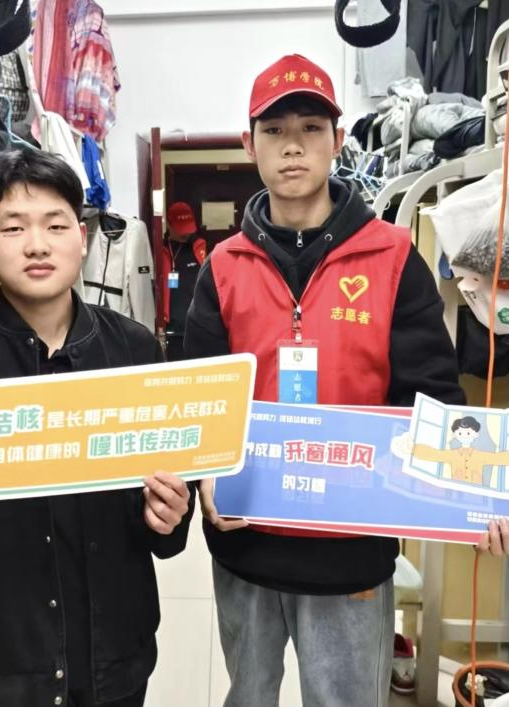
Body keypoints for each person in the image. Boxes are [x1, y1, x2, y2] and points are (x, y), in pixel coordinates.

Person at [184, 54, 472, 707]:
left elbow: (431, 394)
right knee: (248, 695)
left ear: (338, 140)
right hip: (246, 545)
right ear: (248, 144)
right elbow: (199, 399)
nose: (293, 146)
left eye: (311, 128)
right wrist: (204, 475)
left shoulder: (392, 256)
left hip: (350, 552)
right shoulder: (222, 267)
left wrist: (471, 492)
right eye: (274, 130)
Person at [0, 146, 195, 707]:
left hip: (113, 662)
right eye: (13, 227)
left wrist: (172, 515)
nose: (37, 244)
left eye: (55, 225)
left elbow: (168, 522)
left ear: (82, 236)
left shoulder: (135, 351)